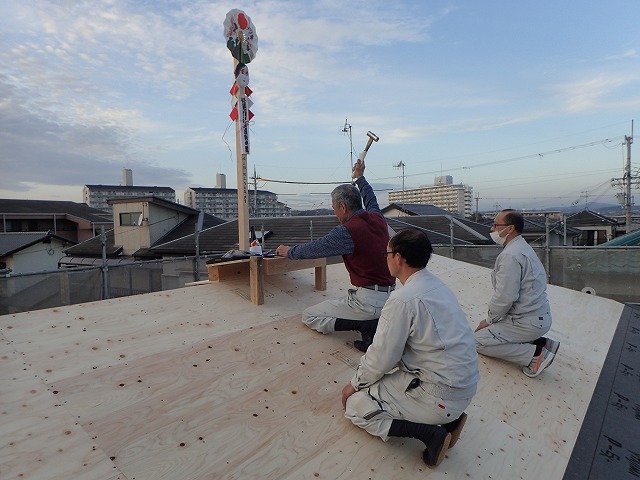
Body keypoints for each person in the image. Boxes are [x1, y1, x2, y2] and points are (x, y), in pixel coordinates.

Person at [341, 228, 479, 468]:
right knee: (380, 382)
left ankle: (431, 434)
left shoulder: (402, 299)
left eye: (387, 254)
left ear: (399, 258)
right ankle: (450, 422)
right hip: (463, 387)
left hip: (437, 395)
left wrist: (352, 386)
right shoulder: (437, 286)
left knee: (356, 406)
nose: (385, 258)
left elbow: (381, 358)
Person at [275, 158, 395, 352]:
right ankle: (373, 320)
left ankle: (367, 325)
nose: (334, 213)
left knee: (310, 316)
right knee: (341, 302)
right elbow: (371, 199)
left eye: (333, 208)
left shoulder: (347, 231)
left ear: (342, 207)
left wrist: (289, 251)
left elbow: (315, 248)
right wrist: (361, 178)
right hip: (390, 296)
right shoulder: (377, 218)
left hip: (370, 301)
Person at [474, 209, 560, 378]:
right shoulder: (523, 248)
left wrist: (490, 320)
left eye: (496, 225)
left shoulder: (510, 255)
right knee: (492, 333)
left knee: (477, 341)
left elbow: (505, 297)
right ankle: (543, 343)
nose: (492, 229)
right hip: (537, 318)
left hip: (525, 322)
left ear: (510, 228)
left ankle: (535, 357)